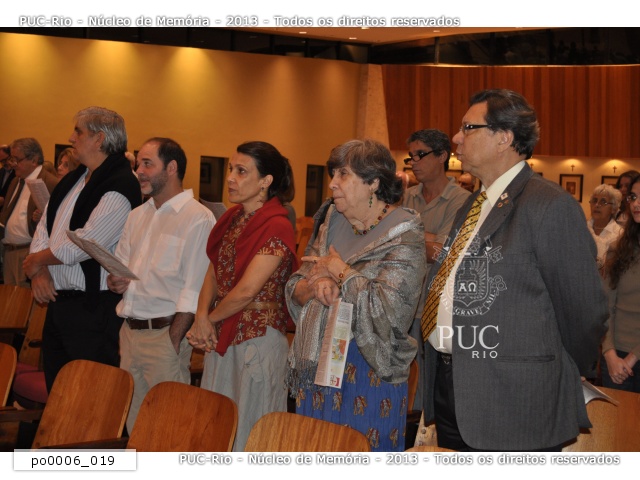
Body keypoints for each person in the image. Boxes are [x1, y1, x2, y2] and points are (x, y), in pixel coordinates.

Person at [421, 89, 607, 451]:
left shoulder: (549, 206)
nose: (456, 137)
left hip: (514, 399)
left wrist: (560, 367)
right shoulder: (474, 205)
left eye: (468, 128)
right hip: (452, 386)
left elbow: (584, 312)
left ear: (503, 138)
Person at [286, 139, 426, 452]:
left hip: (368, 370)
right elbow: (296, 283)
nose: (332, 183)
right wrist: (315, 285)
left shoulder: (404, 231)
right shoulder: (331, 220)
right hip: (318, 365)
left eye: (343, 174)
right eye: (333, 174)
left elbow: (388, 312)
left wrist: (340, 271)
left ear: (373, 182)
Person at [187, 141, 298, 451]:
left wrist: (208, 320)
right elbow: (213, 272)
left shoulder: (277, 225)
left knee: (252, 430)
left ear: (265, 181)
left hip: (256, 339)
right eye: (230, 169)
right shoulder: (232, 219)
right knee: (216, 426)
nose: (230, 178)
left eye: (241, 171)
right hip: (222, 331)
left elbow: (248, 290)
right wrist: (200, 317)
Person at [23, 106, 142, 391]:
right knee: (58, 391)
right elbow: (45, 227)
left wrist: (36, 261)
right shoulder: (74, 179)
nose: (71, 138)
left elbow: (85, 243)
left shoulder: (121, 183)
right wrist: (39, 272)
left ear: (99, 139)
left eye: (78, 132)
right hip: (59, 302)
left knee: (89, 395)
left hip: (93, 309)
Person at [107, 138, 215, 432]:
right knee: (134, 425)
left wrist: (173, 340)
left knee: (168, 427)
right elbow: (121, 270)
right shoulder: (136, 215)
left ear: (171, 168)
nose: (139, 171)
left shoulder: (197, 218)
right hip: (130, 332)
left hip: (165, 334)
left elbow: (194, 288)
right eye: (137, 164)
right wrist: (115, 281)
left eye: (147, 164)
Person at [402, 129, 470, 413]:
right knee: (403, 383)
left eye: (421, 154)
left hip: (435, 306)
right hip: (402, 303)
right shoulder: (406, 197)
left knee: (428, 386)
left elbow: (444, 253)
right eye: (411, 156)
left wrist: (406, 236)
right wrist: (428, 239)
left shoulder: (462, 200)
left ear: (442, 156)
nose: (414, 162)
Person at [0, 138, 58, 287]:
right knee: (9, 300)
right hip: (9, 252)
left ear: (34, 160)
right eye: (12, 159)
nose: (13, 164)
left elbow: (56, 224)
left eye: (17, 160)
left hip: (28, 254)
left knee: (25, 300)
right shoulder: (16, 181)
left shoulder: (50, 183)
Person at [601, 174, 640, 393]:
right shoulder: (619, 248)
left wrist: (633, 357)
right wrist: (609, 353)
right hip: (615, 357)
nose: (636, 203)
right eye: (633, 197)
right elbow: (606, 305)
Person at [586, 184, 623, 272]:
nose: (597, 205)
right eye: (594, 200)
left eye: (603, 202)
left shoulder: (620, 235)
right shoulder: (581, 228)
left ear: (613, 209)